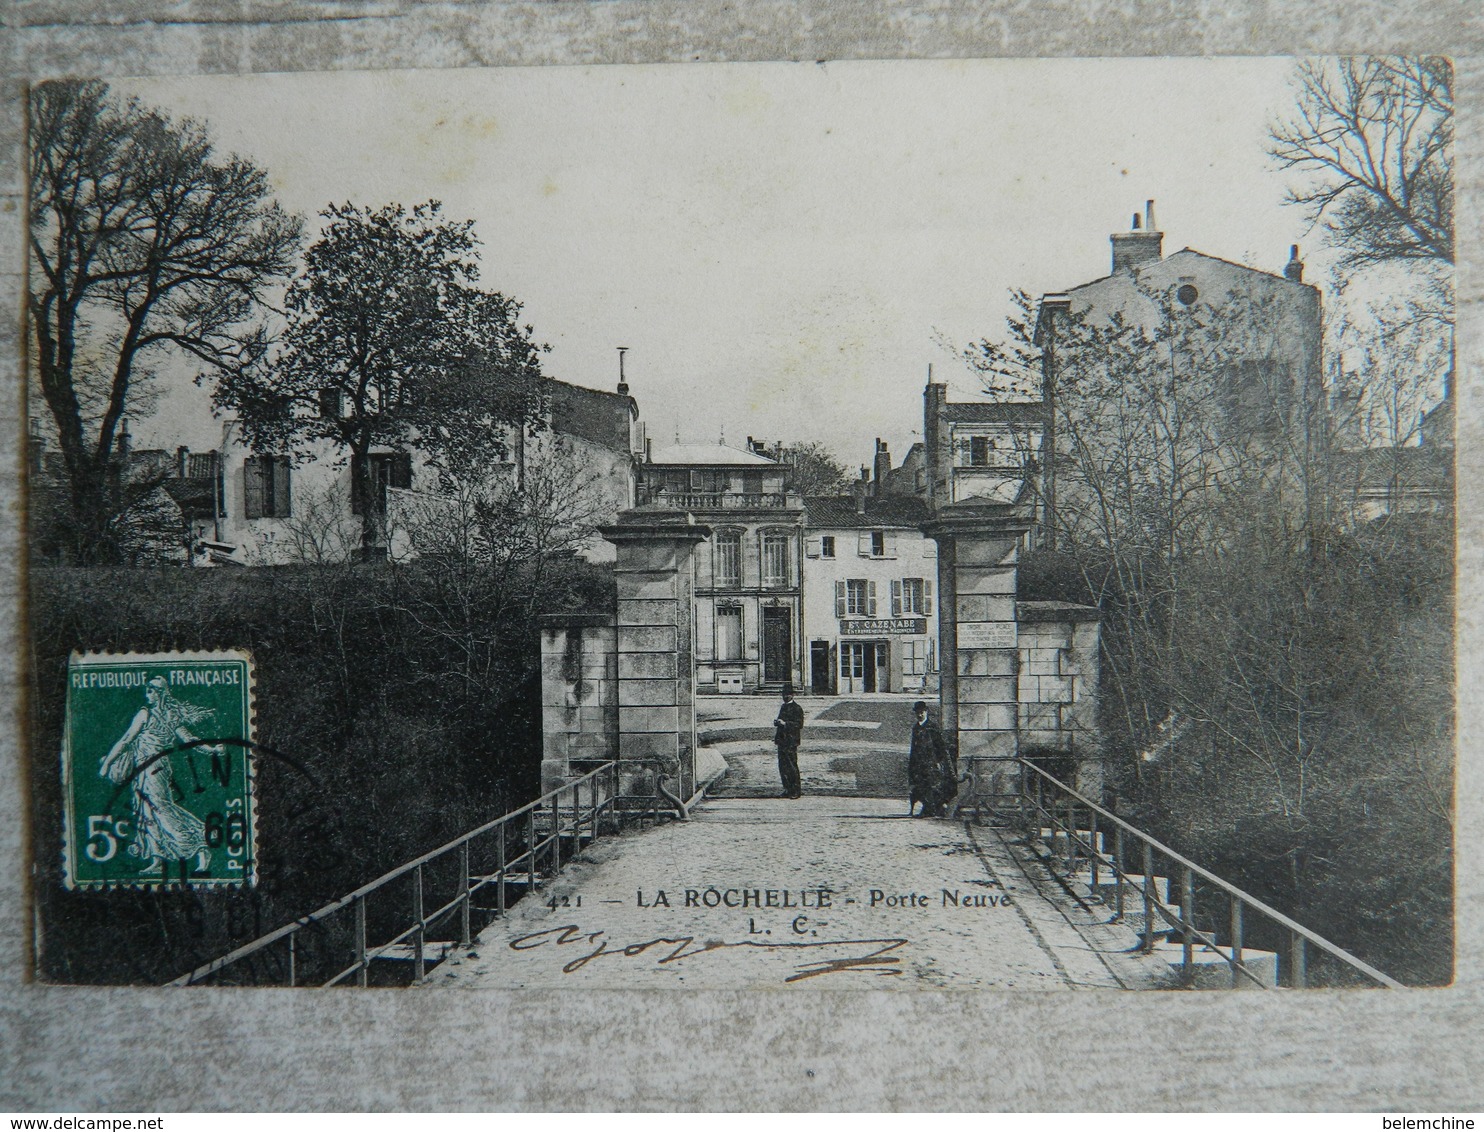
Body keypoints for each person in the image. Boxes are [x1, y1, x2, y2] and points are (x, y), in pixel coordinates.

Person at [100, 676, 217, 874]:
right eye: (147, 691)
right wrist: (210, 749)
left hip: (153, 769)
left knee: (161, 810)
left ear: (160, 693)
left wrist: (108, 764)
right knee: (147, 812)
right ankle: (157, 860)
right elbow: (190, 740)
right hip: (145, 768)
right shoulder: (169, 715)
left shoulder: (148, 715)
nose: (148, 695)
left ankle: (201, 842)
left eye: (151, 691)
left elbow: (126, 740)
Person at [908, 700, 956, 818]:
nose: (919, 715)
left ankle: (930, 810)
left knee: (930, 786)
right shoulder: (916, 728)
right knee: (920, 786)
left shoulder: (932, 727)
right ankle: (929, 809)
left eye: (922, 713)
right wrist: (911, 764)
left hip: (931, 763)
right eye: (917, 713)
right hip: (918, 764)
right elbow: (913, 748)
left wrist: (938, 761)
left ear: (926, 712)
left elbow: (940, 747)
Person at [773, 683, 804, 799]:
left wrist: (785, 724)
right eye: (784, 694)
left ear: (793, 695)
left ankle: (795, 790)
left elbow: (799, 725)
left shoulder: (797, 708)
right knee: (783, 767)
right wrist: (778, 723)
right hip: (782, 741)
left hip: (791, 741)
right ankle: (787, 789)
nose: (785, 697)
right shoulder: (783, 706)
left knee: (791, 766)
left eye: (788, 695)